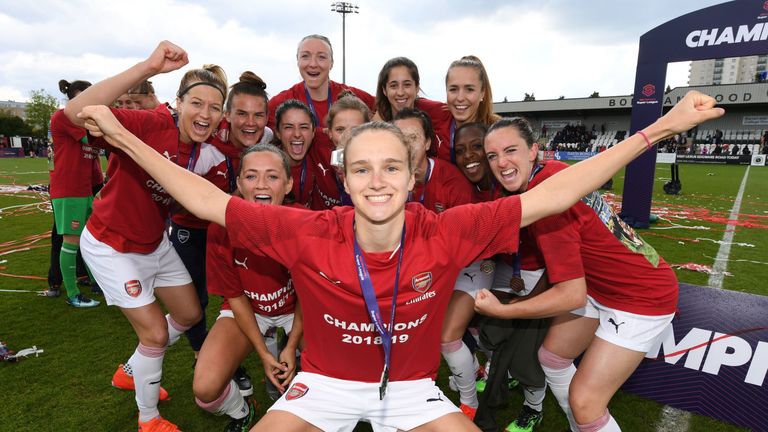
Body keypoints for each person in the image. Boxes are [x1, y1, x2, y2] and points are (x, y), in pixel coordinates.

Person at [78, 72, 723, 432]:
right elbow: (205, 202)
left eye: (392, 167)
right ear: (344, 178)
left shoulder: (445, 231)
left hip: (412, 391)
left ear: (414, 179)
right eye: (362, 169)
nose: (378, 180)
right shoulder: (307, 229)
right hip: (323, 387)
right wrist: (123, 139)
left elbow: (554, 197)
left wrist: (660, 129)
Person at [476, 110, 720, 432]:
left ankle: (585, 421)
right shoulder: (552, 173)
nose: (501, 163)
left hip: (640, 295)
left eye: (510, 151)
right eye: (493, 155)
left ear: (534, 150)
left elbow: (570, 294)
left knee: (586, 401)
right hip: (602, 286)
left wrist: (504, 312)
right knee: (553, 359)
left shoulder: (546, 205)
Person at [62, 41, 226, 432]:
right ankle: (149, 420)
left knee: (189, 314)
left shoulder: (208, 151)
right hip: (110, 245)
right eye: (197, 103)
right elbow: (73, 114)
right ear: (178, 103)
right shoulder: (152, 123)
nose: (205, 113)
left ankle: (131, 371)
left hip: (155, 243)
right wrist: (148, 67)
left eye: (215, 107)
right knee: (153, 332)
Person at [194, 143, 303, 432]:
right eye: (252, 176)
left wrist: (291, 346)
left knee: (336, 371)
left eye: (272, 176)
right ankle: (241, 410)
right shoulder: (220, 228)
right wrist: (263, 354)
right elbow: (236, 298)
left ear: (289, 183)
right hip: (249, 310)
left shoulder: (303, 222)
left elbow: (310, 297)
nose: (261, 184)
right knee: (205, 389)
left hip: (298, 310)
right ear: (239, 183)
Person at [453, 122, 549, 431]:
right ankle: (500, 372)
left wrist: (534, 287)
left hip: (539, 275)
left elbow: (560, 260)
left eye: (479, 148)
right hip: (505, 269)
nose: (498, 161)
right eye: (494, 154)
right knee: (490, 331)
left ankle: (534, 406)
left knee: (526, 350)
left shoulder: (538, 183)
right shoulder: (490, 186)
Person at [268, 34, 375, 210]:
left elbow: (389, 106)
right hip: (315, 197)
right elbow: (252, 124)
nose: (313, 63)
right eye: (305, 56)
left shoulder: (352, 96)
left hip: (355, 193)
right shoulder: (284, 100)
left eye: (321, 57)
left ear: (332, 63)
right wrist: (224, 129)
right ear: (297, 60)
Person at [46, 79, 103, 307]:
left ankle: (96, 282)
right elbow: (93, 139)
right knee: (70, 241)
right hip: (68, 190)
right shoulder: (62, 117)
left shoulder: (88, 121)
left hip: (85, 189)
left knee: (89, 240)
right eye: (84, 97)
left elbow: (94, 152)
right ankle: (72, 294)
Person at [374, 57, 452, 153]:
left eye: (407, 85)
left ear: (417, 87)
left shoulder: (438, 114)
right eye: (394, 86)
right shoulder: (376, 130)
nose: (400, 92)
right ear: (384, 90)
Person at [210, 71, 274, 174]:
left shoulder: (267, 136)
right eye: (242, 114)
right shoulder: (206, 147)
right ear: (227, 114)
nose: (250, 122)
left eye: (258, 115)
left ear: (267, 118)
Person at [318, 90, 371, 208]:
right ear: (329, 132)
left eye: (355, 130)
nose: (347, 136)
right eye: (340, 129)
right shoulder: (319, 149)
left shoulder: (379, 163)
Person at [444, 55, 500, 164]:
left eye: (469, 89)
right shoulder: (437, 118)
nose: (460, 98)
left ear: (482, 93)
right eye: (453, 89)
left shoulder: (498, 131)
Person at [272, 99, 316, 207]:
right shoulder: (266, 164)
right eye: (288, 127)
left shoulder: (317, 157)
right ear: (278, 132)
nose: (297, 134)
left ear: (313, 132)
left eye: (304, 127)